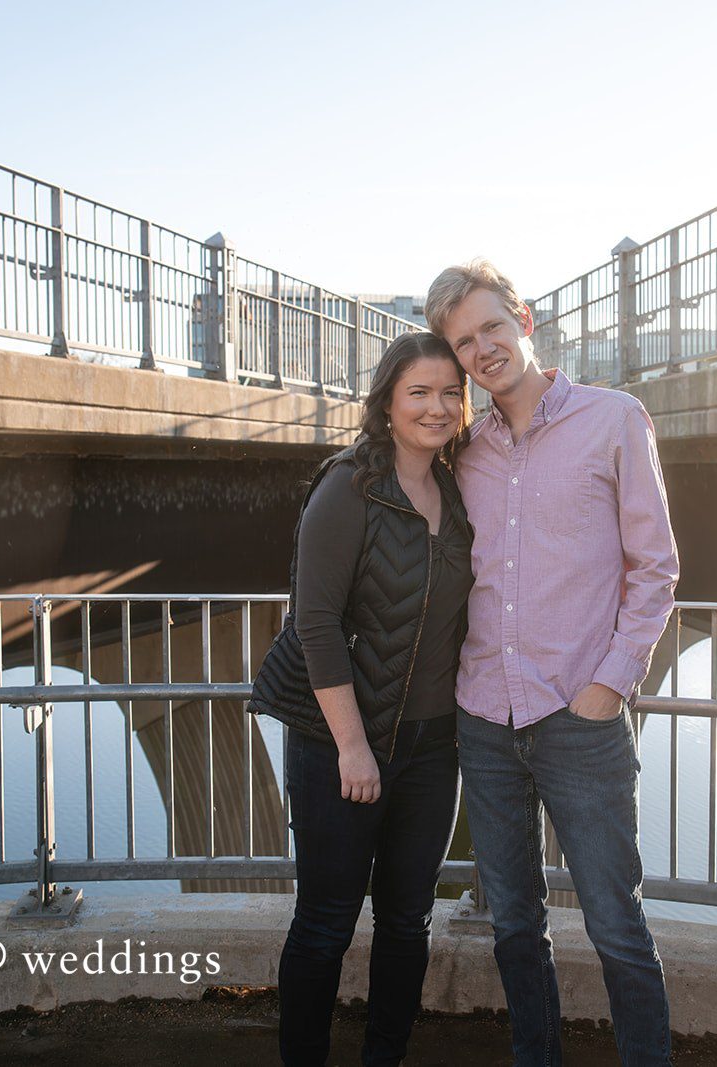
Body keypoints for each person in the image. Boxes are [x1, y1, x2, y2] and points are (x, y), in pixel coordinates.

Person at [426, 259, 679, 1066]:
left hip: (581, 717)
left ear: (524, 320)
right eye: (463, 342)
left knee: (615, 921)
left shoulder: (614, 419)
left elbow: (656, 567)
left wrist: (610, 685)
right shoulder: (462, 450)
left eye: (492, 327)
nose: (483, 348)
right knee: (512, 922)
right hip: (486, 720)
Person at [248, 330, 474, 1066]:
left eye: (450, 392)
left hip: (433, 747)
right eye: (419, 392)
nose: (437, 407)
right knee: (325, 923)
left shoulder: (459, 491)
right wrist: (353, 745)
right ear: (386, 402)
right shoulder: (349, 486)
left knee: (408, 921)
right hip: (337, 742)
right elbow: (312, 620)